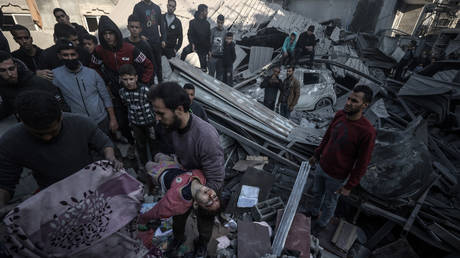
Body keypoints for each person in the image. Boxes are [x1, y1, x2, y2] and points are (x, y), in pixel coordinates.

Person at [0, 90, 121, 208]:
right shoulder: (11, 142)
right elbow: (5, 182)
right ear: (23, 122)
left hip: (91, 188)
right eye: (39, 134)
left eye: (52, 131)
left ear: (61, 116)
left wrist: (110, 158)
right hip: (54, 200)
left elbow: (104, 144)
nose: (47, 138)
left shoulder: (81, 123)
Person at [148, 82, 225, 257]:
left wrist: (197, 194)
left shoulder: (206, 137)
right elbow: (166, 150)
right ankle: (178, 238)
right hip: (184, 176)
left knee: (205, 220)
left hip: (207, 184)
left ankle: (202, 243)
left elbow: (216, 179)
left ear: (179, 109)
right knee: (178, 216)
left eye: (160, 113)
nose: (157, 118)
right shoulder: (170, 126)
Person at [306, 85, 376, 235]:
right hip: (322, 166)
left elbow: (362, 163)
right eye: (349, 99)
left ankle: (322, 223)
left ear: (365, 105)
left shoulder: (367, 132)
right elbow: (327, 137)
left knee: (330, 202)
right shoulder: (339, 116)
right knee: (317, 192)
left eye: (354, 101)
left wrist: (349, 186)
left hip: (337, 176)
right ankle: (313, 213)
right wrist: (316, 155)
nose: (348, 102)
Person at [91, 15, 154, 148]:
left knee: (142, 119)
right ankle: (132, 144)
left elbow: (148, 65)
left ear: (116, 33)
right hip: (116, 91)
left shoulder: (130, 48)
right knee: (122, 121)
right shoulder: (99, 50)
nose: (108, 37)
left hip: (134, 90)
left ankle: (149, 144)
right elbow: (94, 67)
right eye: (104, 34)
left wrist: (142, 84)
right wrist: (105, 83)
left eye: (110, 33)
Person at [52, 40, 117, 135]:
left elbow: (105, 96)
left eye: (72, 54)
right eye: (65, 55)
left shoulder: (92, 73)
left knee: (108, 145)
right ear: (60, 56)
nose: (70, 58)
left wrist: (113, 118)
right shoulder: (55, 75)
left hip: (101, 120)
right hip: (79, 123)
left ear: (77, 55)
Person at [138, 154, 220, 222]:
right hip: (171, 164)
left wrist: (143, 218)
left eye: (209, 202)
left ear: (196, 204)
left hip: (158, 173)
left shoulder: (177, 203)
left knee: (147, 164)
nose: (211, 195)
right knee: (157, 155)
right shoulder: (202, 177)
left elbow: (158, 211)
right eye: (215, 197)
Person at [0, 51, 69, 120]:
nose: (9, 74)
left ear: (16, 66)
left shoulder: (38, 83)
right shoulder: (4, 87)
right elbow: (8, 106)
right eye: (3, 70)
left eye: (11, 69)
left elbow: (62, 107)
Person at [118, 64, 156, 165]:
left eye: (131, 79)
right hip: (136, 123)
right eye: (125, 79)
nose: (128, 82)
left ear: (136, 78)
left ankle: (156, 163)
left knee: (153, 143)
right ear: (121, 79)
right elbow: (126, 105)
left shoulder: (145, 90)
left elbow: (153, 104)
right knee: (140, 144)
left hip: (149, 122)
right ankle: (145, 165)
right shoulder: (122, 92)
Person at [132, 0, 166, 83]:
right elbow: (133, 23)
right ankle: (149, 84)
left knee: (158, 64)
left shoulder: (157, 8)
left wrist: (163, 39)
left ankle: (160, 83)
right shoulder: (138, 7)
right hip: (144, 42)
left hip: (156, 41)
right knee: (147, 65)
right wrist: (140, 36)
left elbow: (161, 24)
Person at [124, 14, 155, 84]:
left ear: (140, 29)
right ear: (128, 27)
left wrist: (147, 83)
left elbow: (151, 66)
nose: (134, 29)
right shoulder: (123, 43)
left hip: (141, 82)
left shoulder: (145, 46)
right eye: (132, 27)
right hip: (126, 82)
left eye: (137, 27)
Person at [180, 4, 211, 72]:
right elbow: (189, 34)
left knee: (204, 68)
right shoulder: (192, 22)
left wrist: (209, 50)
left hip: (203, 49)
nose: (207, 13)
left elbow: (208, 38)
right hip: (194, 45)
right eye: (206, 11)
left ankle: (202, 76)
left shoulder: (207, 24)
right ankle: (179, 67)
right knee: (184, 51)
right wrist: (192, 44)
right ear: (201, 12)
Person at [208, 15, 226, 80]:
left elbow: (226, 45)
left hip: (221, 57)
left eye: (221, 23)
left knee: (219, 76)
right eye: (218, 22)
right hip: (213, 56)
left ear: (223, 22)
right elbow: (209, 42)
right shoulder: (212, 31)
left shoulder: (225, 32)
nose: (220, 24)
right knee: (210, 75)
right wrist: (209, 52)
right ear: (216, 21)